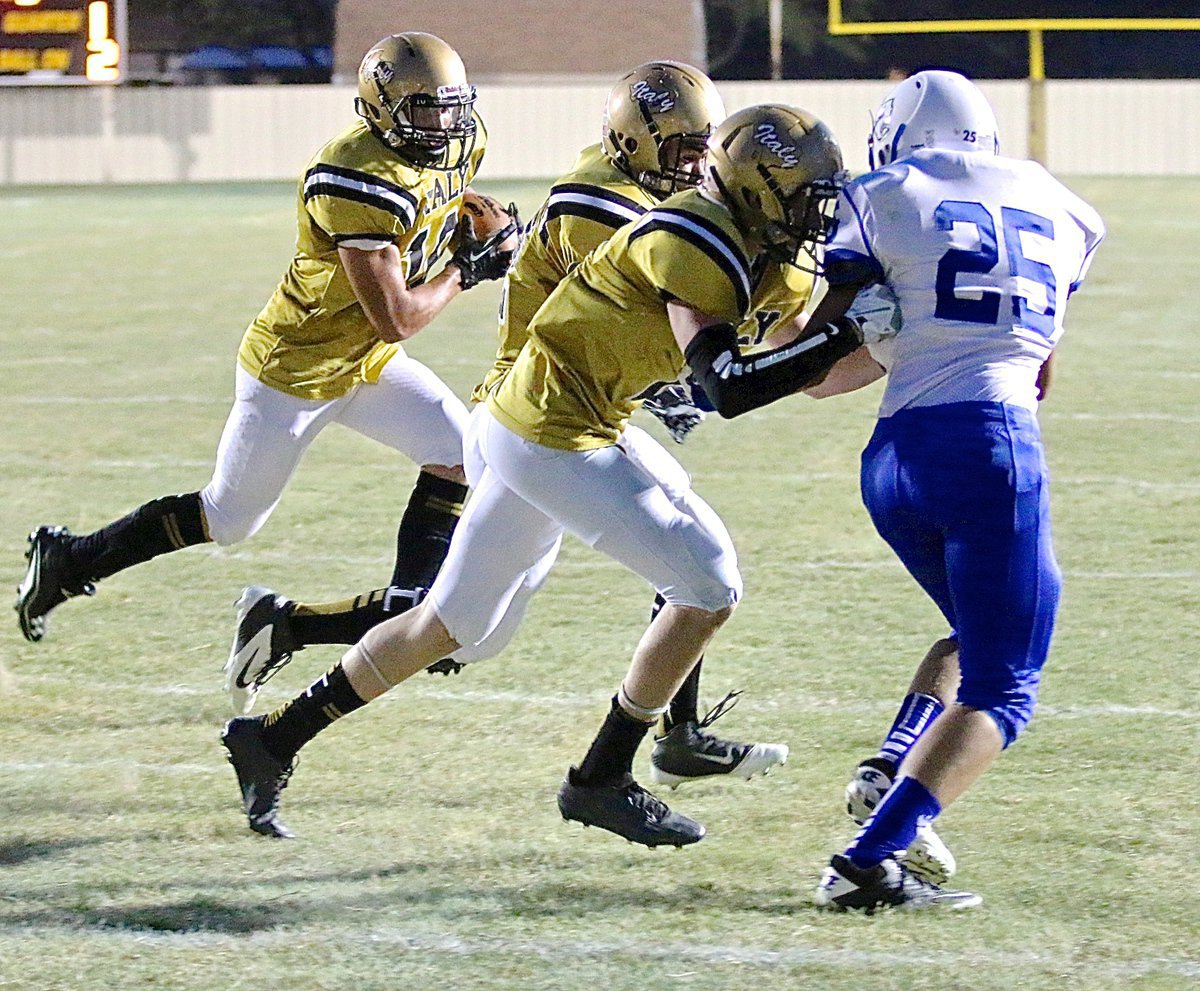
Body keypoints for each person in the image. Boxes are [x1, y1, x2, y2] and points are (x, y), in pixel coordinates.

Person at [220, 103, 871, 843]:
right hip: (548, 430)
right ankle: (603, 776)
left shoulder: (773, 252)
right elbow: (729, 385)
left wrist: (884, 342)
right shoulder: (696, 236)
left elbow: (810, 372)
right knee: (708, 580)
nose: (815, 213)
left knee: (451, 625)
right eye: (800, 194)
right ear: (752, 189)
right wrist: (847, 323)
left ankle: (270, 738)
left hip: (546, 417)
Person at [14, 33, 515, 645]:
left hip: (366, 361)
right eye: (426, 109)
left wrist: (472, 229)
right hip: (296, 370)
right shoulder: (353, 177)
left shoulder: (463, 140)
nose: (444, 123)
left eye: (452, 105)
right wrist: (468, 269)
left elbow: (432, 208)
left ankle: (409, 617)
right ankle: (72, 559)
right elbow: (398, 319)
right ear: (381, 108)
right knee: (229, 518)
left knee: (461, 456)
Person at [803, 70, 1104, 911]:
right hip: (991, 451)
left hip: (892, 461)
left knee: (971, 636)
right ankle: (867, 863)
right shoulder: (1061, 205)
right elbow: (1038, 366)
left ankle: (888, 767)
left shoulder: (879, 193)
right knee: (1005, 686)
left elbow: (828, 369)